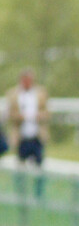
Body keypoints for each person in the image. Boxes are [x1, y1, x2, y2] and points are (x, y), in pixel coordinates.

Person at [6, 69, 49, 197]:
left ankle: (39, 195)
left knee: (39, 166)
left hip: (37, 136)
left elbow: (47, 112)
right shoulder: (13, 94)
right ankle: (20, 194)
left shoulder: (40, 93)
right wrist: (21, 117)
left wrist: (39, 116)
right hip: (21, 137)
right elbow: (9, 115)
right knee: (20, 167)